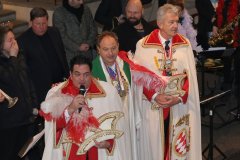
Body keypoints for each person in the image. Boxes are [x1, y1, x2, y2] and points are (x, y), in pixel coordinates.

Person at [134, 4, 201, 160]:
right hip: (154, 107)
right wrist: (155, 96)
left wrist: (177, 98)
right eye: (171, 22)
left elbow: (189, 76)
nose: (175, 25)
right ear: (160, 23)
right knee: (154, 147)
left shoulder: (184, 44)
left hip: (178, 106)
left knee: (178, 147)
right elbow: (139, 78)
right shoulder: (143, 45)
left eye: (176, 21)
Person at [40, 55, 133, 160]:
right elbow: (52, 129)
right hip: (70, 153)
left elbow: (119, 128)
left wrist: (108, 143)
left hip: (99, 152)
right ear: (70, 74)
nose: (82, 79)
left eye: (86, 75)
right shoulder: (57, 93)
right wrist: (70, 109)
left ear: (91, 73)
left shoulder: (108, 92)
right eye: (77, 74)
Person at [92, 31, 141, 160]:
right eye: (106, 49)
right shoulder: (92, 70)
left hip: (127, 118)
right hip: (108, 124)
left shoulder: (126, 65)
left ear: (118, 46)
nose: (111, 53)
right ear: (98, 50)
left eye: (113, 48)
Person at [0, 26, 38, 160]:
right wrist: (13, 57)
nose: (14, 43)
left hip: (25, 115)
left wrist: (34, 103)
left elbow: (28, 80)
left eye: (14, 38)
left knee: (26, 153)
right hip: (9, 120)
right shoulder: (12, 58)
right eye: (9, 40)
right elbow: (11, 79)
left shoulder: (18, 56)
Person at [17, 7, 69, 104]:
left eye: (44, 23)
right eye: (38, 24)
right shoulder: (22, 41)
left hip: (61, 84)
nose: (41, 27)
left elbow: (62, 55)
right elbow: (24, 71)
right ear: (31, 22)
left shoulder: (55, 32)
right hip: (42, 90)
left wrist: (67, 76)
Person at [212, 0, 240, 90]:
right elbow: (218, 14)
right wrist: (215, 26)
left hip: (237, 35)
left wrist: (238, 23)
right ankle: (227, 82)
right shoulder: (222, 2)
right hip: (226, 35)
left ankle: (237, 85)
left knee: (238, 61)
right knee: (227, 60)